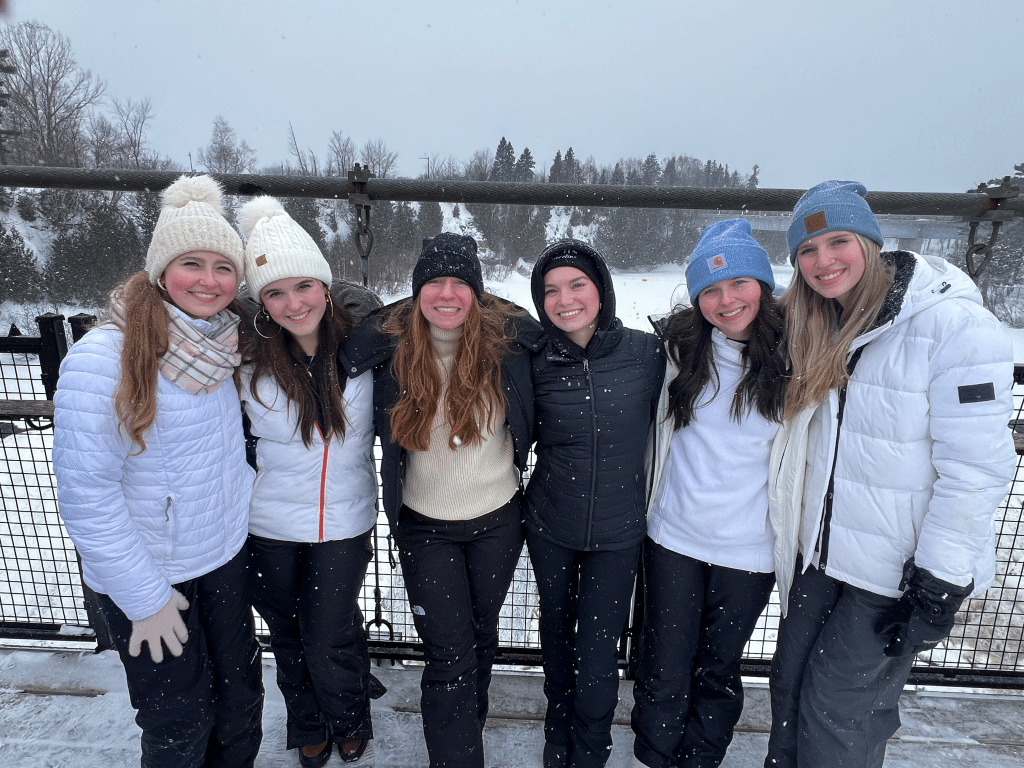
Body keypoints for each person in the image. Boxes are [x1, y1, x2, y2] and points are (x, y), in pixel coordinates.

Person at [764, 181, 1016, 768]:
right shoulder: (819, 325)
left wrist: (939, 580)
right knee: (789, 688)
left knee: (839, 710)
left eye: (838, 242)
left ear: (871, 242)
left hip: (895, 571)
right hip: (824, 558)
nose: (823, 261)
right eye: (807, 250)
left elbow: (977, 464)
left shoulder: (955, 328)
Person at [52, 175, 264, 767]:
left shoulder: (225, 345)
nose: (208, 280)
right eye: (191, 263)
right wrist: (143, 598)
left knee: (241, 702)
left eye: (224, 267)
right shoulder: (107, 357)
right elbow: (87, 494)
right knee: (178, 719)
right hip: (149, 576)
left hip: (219, 561)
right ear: (160, 269)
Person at [338, 232, 544, 768]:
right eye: (434, 283)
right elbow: (343, 334)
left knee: (478, 635)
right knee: (449, 654)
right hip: (425, 524)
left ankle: (463, 728)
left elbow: (558, 340)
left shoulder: (510, 348)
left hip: (499, 519)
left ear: (479, 293)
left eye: (460, 283)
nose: (447, 294)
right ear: (415, 293)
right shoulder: (391, 352)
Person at [630, 219, 787, 768]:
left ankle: (700, 758)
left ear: (763, 287)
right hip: (673, 537)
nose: (726, 301)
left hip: (749, 550)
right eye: (710, 290)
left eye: (738, 284)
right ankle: (655, 755)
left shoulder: (798, 360)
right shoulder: (676, 352)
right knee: (664, 663)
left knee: (718, 669)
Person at [237, 197, 377, 766]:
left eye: (302, 287)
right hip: (267, 521)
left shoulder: (368, 347)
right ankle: (307, 721)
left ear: (324, 286)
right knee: (289, 633)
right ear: (262, 303)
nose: (293, 304)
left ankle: (349, 715)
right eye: (275, 292)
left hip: (342, 520)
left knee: (329, 632)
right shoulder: (245, 357)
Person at [527, 239, 665, 768]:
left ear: (601, 289)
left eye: (577, 284)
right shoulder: (532, 358)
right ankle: (557, 732)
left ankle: (590, 746)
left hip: (618, 529)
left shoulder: (646, 353)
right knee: (557, 637)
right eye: (551, 290)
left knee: (599, 647)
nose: (565, 300)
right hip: (550, 523)